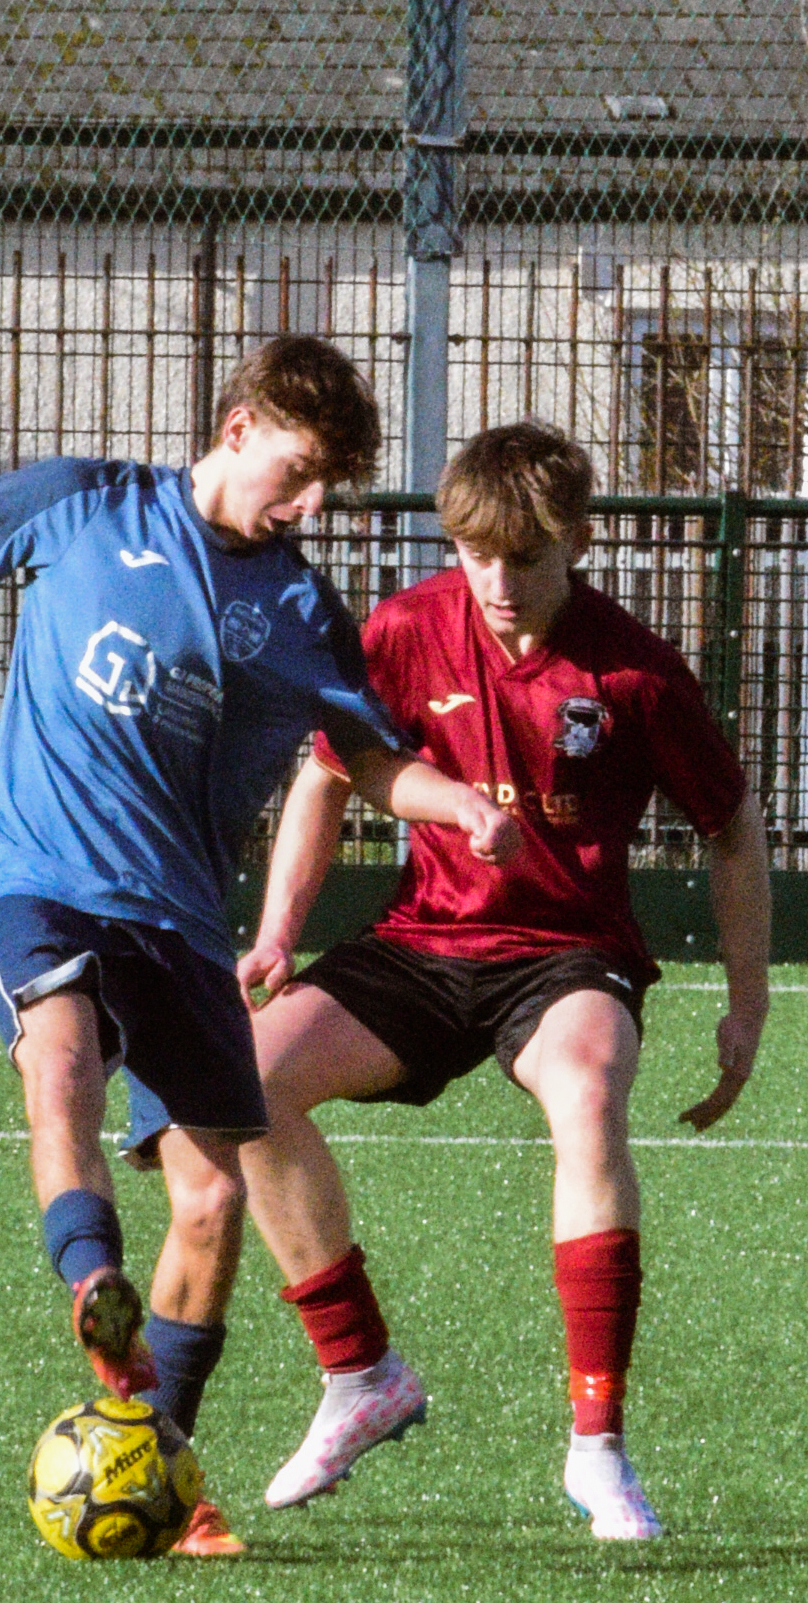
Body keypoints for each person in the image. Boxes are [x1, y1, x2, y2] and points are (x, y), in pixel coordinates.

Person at [0, 336, 517, 1557]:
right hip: (41, 877)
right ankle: (93, 1279)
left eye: (324, 492)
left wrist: (453, 803)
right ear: (237, 427)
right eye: (294, 475)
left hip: (182, 922)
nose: (305, 509)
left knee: (207, 1204)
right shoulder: (80, 501)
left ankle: (161, 1467)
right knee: (61, 1064)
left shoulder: (300, 610)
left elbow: (366, 759)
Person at [235, 420, 771, 1542]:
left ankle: (598, 1451)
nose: (499, 581)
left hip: (569, 955)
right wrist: (280, 932)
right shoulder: (403, 628)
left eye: (525, 558)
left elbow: (731, 830)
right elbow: (329, 779)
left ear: (577, 541)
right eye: (476, 554)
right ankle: (362, 1375)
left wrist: (745, 1001)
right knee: (245, 1082)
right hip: (425, 942)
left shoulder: (632, 668)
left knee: (586, 1095)